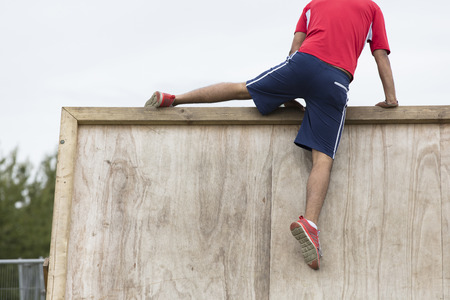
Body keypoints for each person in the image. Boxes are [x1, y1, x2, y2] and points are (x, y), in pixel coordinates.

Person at [145, 0, 398, 270]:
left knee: (243, 88)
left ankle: (175, 98)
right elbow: (380, 55)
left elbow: (294, 50)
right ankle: (310, 224)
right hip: (335, 79)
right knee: (322, 158)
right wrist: (391, 99)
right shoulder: (371, 8)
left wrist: (288, 93)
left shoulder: (313, 5)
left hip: (302, 64)